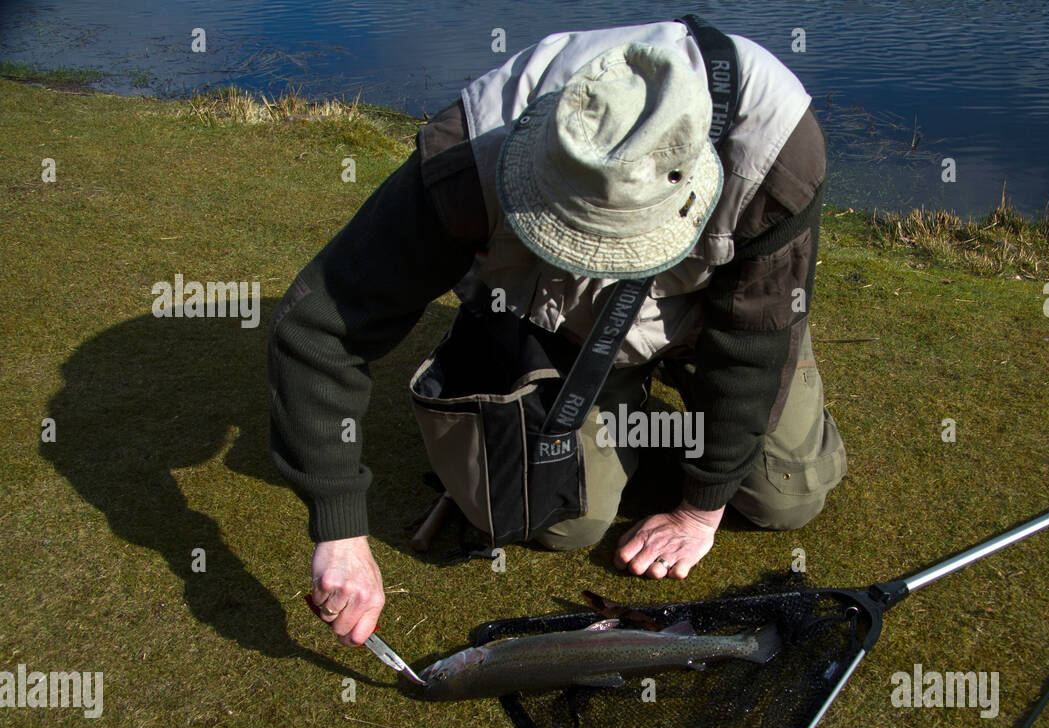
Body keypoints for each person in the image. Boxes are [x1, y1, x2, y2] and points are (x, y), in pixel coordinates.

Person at [268, 19, 847, 647]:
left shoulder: (777, 149)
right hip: (562, 321)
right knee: (568, 521)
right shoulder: (468, 154)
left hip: (712, 314)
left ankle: (680, 432)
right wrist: (339, 530)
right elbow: (319, 328)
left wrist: (697, 510)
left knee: (787, 499)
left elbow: (751, 344)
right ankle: (494, 354)